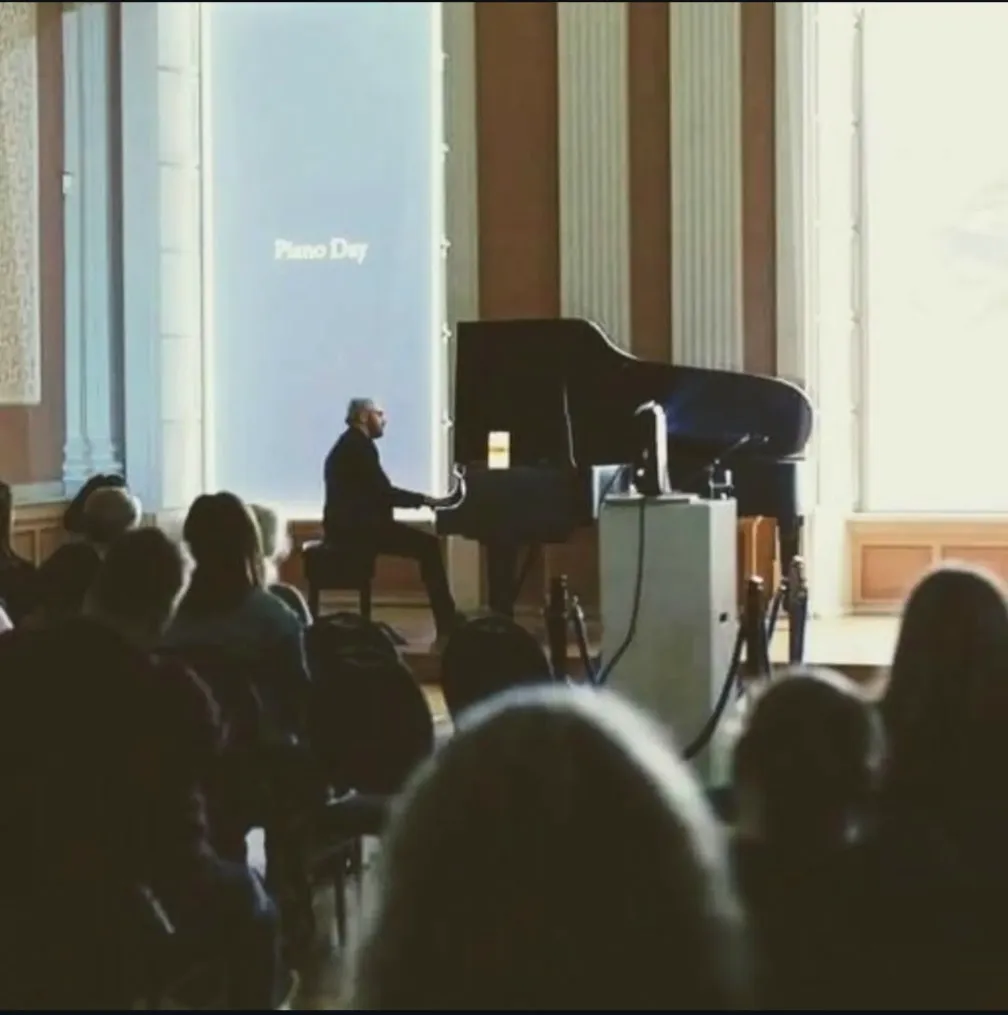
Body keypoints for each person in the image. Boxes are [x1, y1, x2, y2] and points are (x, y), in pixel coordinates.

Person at [323, 397, 460, 640]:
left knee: (426, 546)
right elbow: (384, 494)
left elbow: (377, 493)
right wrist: (427, 501)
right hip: (358, 530)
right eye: (379, 414)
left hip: (351, 526)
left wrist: (423, 501)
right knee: (428, 547)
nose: (384, 420)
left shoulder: (352, 444)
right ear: (363, 416)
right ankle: (447, 620)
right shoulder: (358, 447)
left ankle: (447, 617)